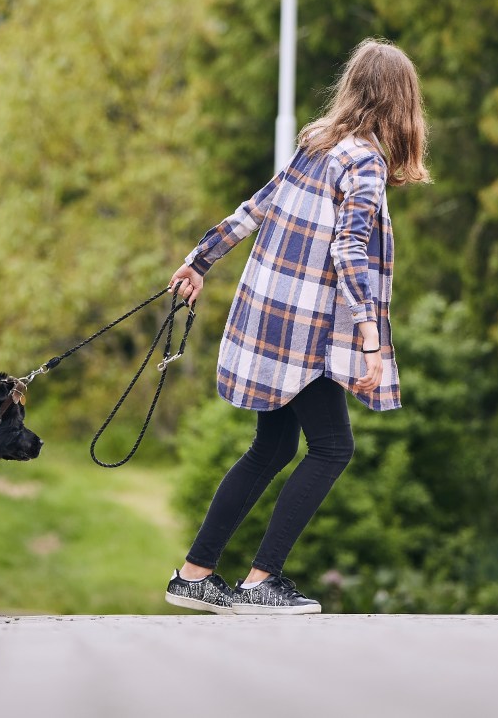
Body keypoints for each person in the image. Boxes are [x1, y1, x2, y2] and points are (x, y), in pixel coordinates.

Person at [164, 38, 430, 615]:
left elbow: (256, 207)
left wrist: (200, 259)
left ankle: (195, 573)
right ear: (398, 101)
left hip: (270, 316)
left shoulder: (317, 144)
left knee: (273, 444)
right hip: (309, 328)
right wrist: (371, 339)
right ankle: (262, 581)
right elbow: (350, 250)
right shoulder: (363, 160)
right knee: (332, 447)